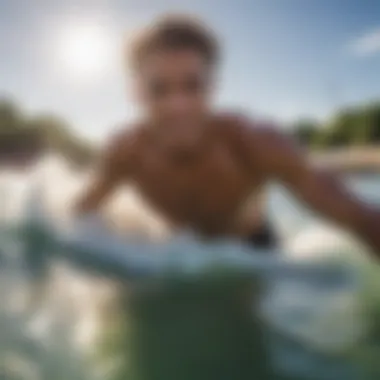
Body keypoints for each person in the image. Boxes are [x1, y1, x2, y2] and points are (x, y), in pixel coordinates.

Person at [75, 14, 380, 254]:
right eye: (159, 90)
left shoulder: (254, 143)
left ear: (212, 87)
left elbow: (361, 217)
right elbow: (79, 216)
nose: (178, 106)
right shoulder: (125, 153)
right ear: (137, 92)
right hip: (177, 252)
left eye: (193, 86)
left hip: (254, 250)